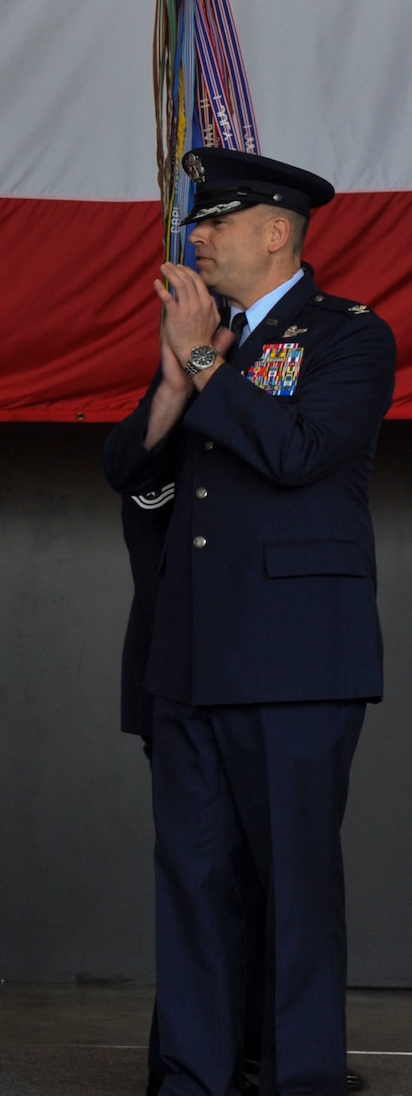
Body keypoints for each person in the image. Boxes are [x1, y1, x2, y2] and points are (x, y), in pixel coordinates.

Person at [103, 148, 391, 1096]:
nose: (198, 238)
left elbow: (297, 450)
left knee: (295, 891)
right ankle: (194, 1078)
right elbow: (127, 471)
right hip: (189, 657)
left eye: (217, 223)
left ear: (276, 233)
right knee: (192, 883)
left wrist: (200, 363)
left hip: (296, 662)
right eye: (198, 223)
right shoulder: (209, 344)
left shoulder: (350, 336)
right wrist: (174, 382)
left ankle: (300, 1080)